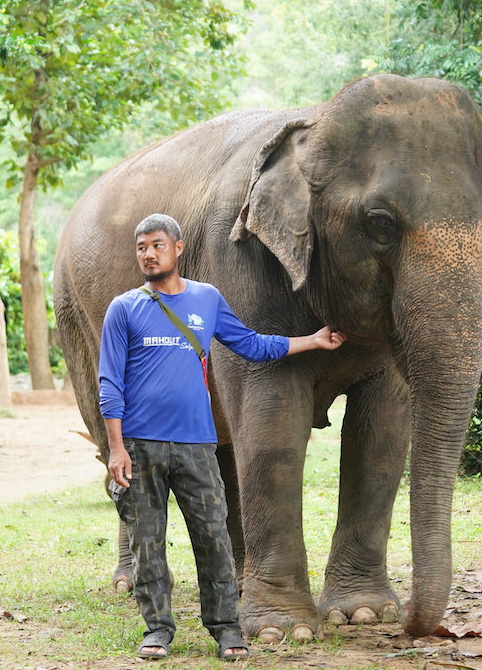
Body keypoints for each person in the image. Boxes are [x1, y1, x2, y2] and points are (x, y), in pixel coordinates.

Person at [99, 213, 346, 661]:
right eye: (141, 247)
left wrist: (310, 341)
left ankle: (226, 628)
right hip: (140, 446)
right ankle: (157, 630)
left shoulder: (206, 299)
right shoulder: (124, 308)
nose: (148, 254)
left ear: (177, 247)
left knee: (213, 538)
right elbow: (109, 383)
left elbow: (251, 345)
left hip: (196, 445)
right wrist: (116, 448)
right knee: (147, 544)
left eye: (156, 245)